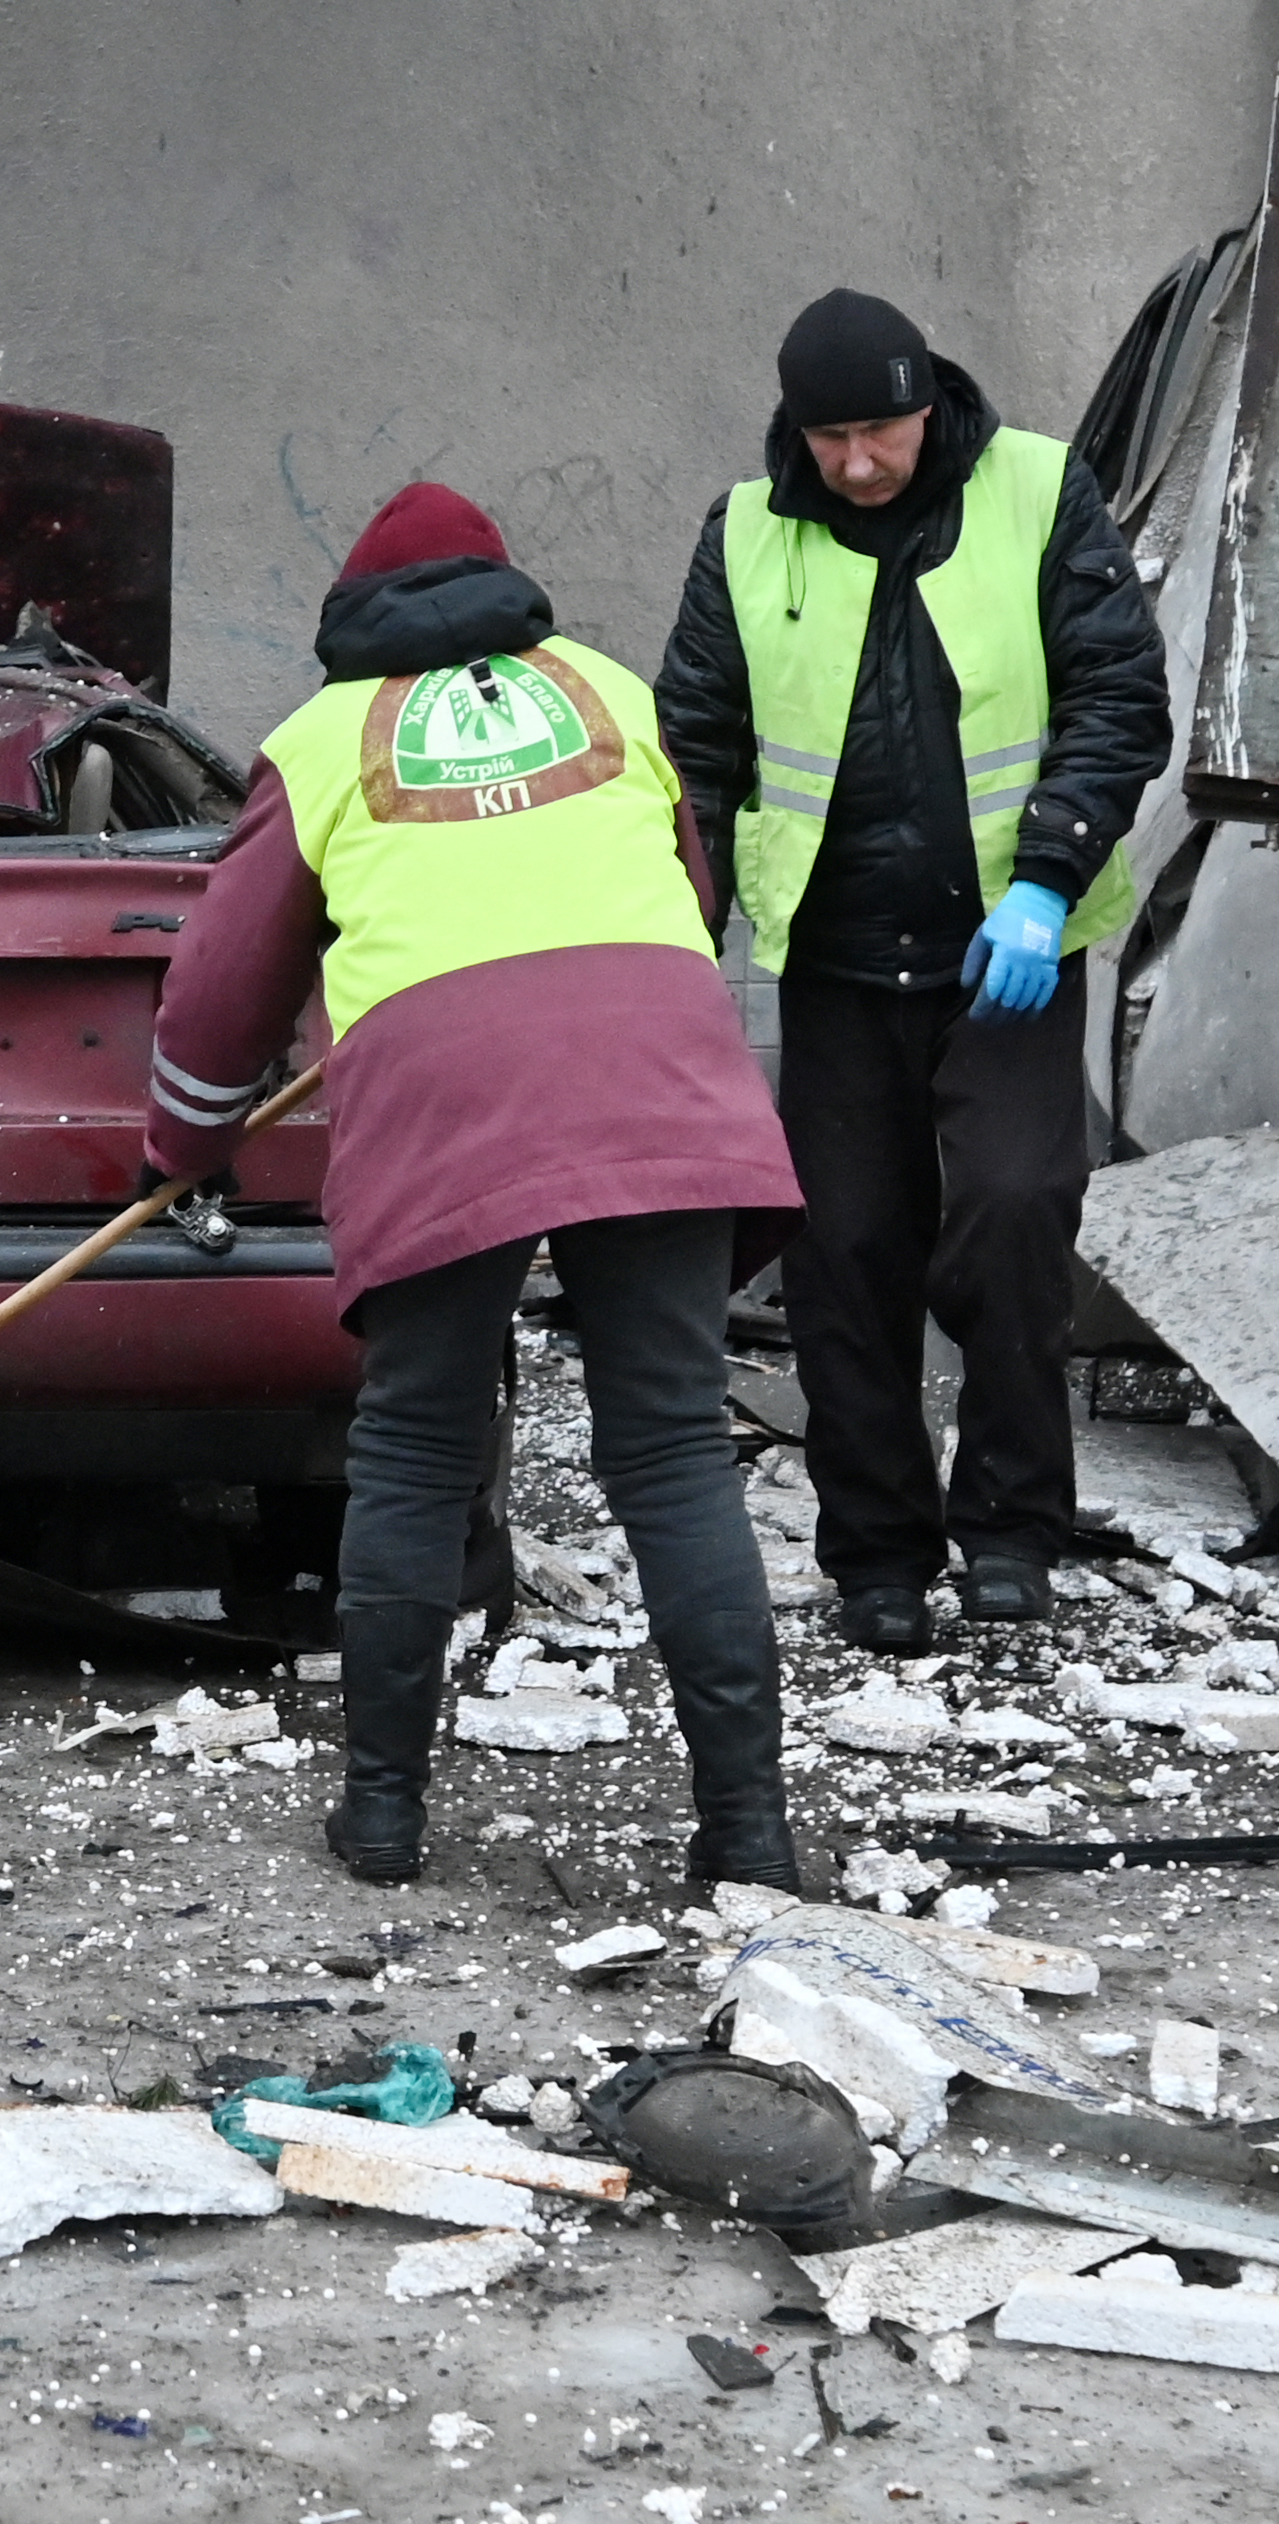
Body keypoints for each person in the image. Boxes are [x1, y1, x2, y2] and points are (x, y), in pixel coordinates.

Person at [146, 484, 806, 1889]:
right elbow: (689, 897)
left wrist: (185, 1148)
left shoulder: (324, 741)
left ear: (351, 622)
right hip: (656, 1074)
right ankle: (749, 1838)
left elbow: (218, 991)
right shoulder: (608, 690)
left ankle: (383, 1817)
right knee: (677, 1454)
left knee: (417, 1447)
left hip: (447, 1096)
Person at [653, 289, 1172, 1652]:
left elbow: (1120, 695)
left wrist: (1047, 879)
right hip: (832, 955)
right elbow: (695, 743)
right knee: (844, 1253)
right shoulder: (750, 530)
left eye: (880, 432)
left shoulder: (1038, 489)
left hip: (1006, 954)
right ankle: (877, 1549)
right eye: (831, 440)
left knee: (1011, 1213)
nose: (860, 465)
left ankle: (1010, 1530)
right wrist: (674, 934)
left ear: (927, 408)